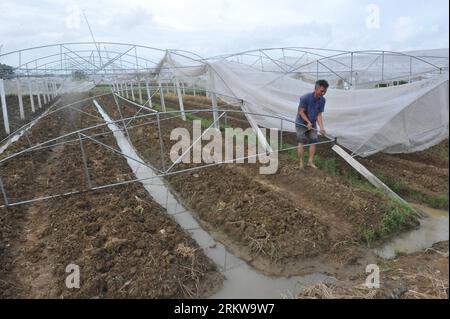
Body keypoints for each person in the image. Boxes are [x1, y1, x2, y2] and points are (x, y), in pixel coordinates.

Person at [295, 79, 328, 169]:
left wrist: (321, 128)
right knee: (301, 141)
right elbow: (301, 112)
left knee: (313, 141)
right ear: (316, 89)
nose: (323, 93)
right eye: (322, 91)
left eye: (325, 91)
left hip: (312, 123)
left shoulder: (322, 100)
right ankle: (301, 163)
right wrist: (308, 122)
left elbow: (319, 114)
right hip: (301, 122)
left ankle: (310, 161)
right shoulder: (305, 98)